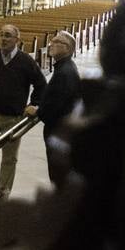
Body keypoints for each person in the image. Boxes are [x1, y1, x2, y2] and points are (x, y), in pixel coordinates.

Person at [0, 24, 47, 199]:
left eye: (7, 35)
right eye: (1, 35)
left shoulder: (26, 61)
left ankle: (4, 193)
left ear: (17, 40)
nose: (3, 39)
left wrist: (34, 104)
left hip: (14, 118)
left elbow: (41, 84)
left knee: (9, 158)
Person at [33, 31, 83, 186]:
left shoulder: (64, 72)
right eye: (52, 41)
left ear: (68, 48)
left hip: (58, 130)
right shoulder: (64, 67)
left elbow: (57, 105)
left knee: (58, 174)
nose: (51, 45)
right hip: (61, 130)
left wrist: (38, 111)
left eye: (56, 42)